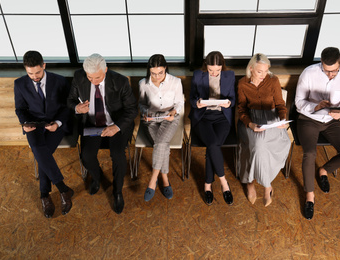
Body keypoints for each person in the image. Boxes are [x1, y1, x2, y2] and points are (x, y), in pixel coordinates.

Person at [67, 53, 137, 214]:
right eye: (90, 78)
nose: (93, 81)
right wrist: (77, 108)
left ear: (105, 69)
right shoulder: (79, 77)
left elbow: (132, 110)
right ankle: (97, 178)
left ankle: (117, 191)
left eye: (97, 77)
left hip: (116, 124)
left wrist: (117, 127)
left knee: (118, 156)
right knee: (86, 156)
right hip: (92, 124)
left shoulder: (120, 81)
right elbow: (70, 100)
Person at [295, 47, 340, 220]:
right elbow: (299, 103)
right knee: (310, 154)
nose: (330, 75)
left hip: (331, 120)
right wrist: (316, 106)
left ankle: (323, 171)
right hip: (308, 119)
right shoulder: (308, 73)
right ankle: (310, 196)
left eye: (334, 71)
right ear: (321, 63)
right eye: (326, 71)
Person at [14, 50, 73, 218]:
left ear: (44, 66)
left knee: (41, 153)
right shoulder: (19, 84)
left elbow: (67, 107)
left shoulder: (60, 81)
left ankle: (44, 195)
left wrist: (58, 123)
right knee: (41, 150)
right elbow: (20, 109)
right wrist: (24, 124)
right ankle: (63, 189)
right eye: (30, 73)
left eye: (38, 72)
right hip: (34, 125)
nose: (34, 76)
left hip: (55, 123)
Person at [237, 53, 291, 207]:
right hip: (251, 121)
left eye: (266, 71)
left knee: (276, 144)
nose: (263, 75)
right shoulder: (242, 84)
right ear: (251, 68)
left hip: (271, 119)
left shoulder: (273, 81)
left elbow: (280, 104)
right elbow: (241, 110)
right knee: (258, 146)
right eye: (260, 71)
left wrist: (282, 119)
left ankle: (261, 183)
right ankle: (257, 184)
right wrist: (251, 124)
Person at [189, 51, 236, 205]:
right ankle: (223, 183)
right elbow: (191, 98)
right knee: (213, 144)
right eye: (211, 70)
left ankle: (207, 185)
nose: (214, 73)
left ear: (222, 66)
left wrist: (229, 103)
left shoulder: (229, 75)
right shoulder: (197, 75)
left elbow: (233, 99)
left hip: (222, 117)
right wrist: (197, 103)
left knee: (212, 145)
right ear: (206, 67)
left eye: (217, 70)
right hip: (203, 117)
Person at [138, 54, 184, 201]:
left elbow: (179, 103)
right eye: (153, 73)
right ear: (149, 71)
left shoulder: (175, 82)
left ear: (165, 69)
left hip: (170, 118)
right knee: (162, 144)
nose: (157, 77)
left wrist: (173, 112)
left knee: (160, 143)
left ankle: (153, 180)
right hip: (151, 119)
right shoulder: (143, 84)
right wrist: (145, 113)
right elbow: (142, 104)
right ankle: (164, 178)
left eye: (160, 73)